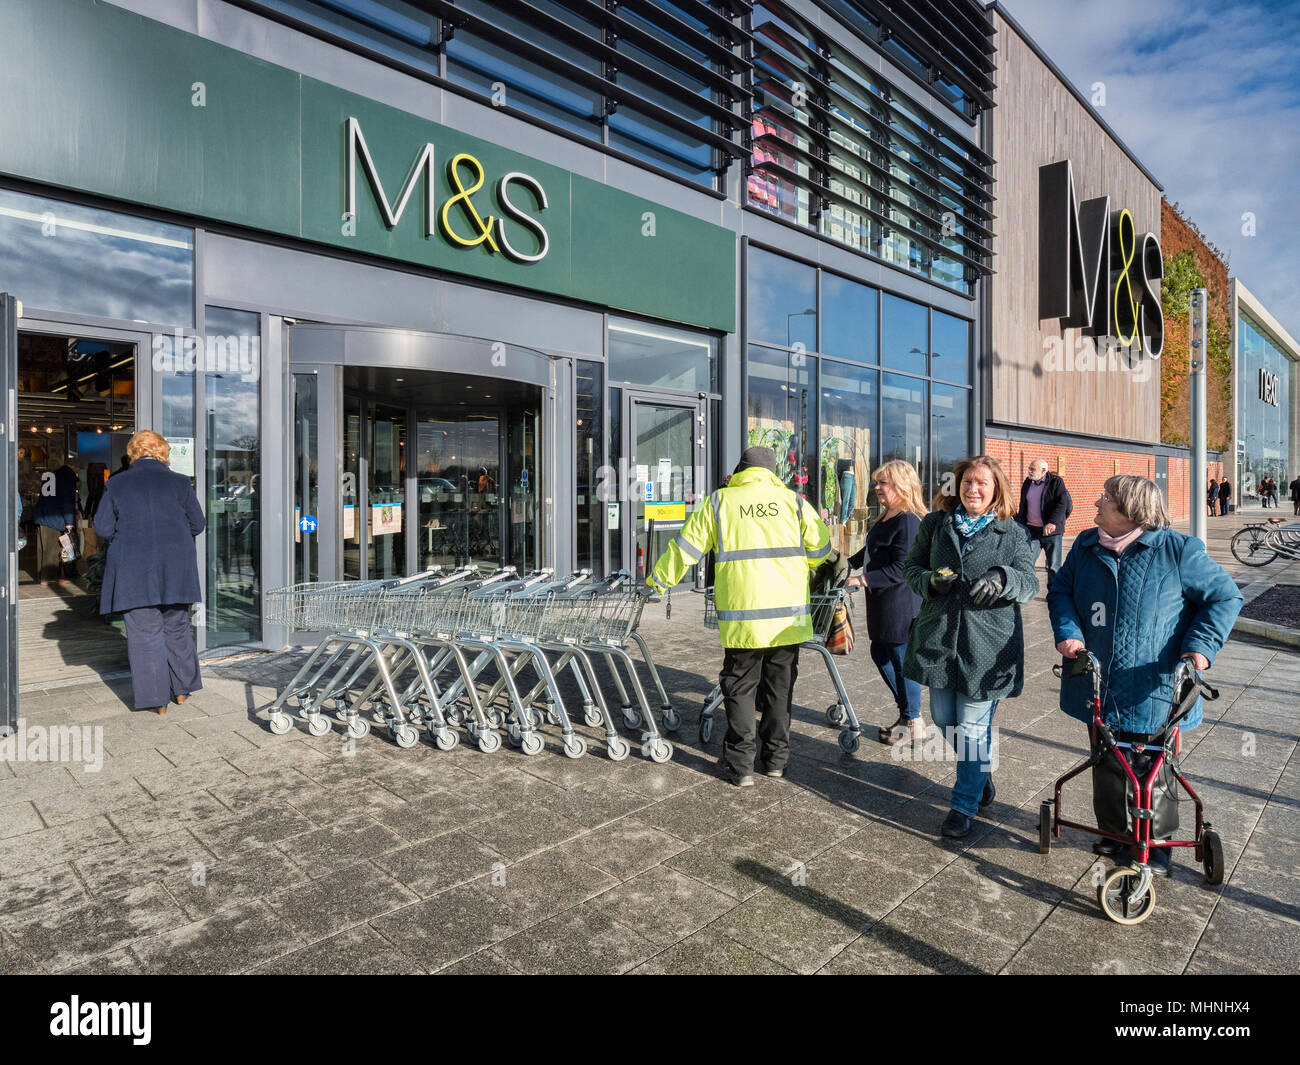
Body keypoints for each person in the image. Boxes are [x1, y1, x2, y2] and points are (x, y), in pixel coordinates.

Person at [1048, 474, 1242, 876]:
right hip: (1098, 679)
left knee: (1155, 765)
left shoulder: (1178, 550)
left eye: (1107, 499)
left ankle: (1156, 846)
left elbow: (1225, 596)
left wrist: (1200, 650)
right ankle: (1117, 833)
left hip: (1157, 685)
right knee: (1106, 756)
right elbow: (1060, 590)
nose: (1097, 503)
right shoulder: (1085, 546)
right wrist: (1069, 633)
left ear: (1131, 511)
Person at [648, 446, 830, 786]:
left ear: (740, 469)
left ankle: (740, 765)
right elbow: (821, 550)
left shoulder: (720, 502)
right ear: (774, 473)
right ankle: (775, 761)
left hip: (744, 617)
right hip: (787, 619)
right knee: (779, 690)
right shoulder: (793, 502)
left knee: (740, 687)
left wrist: (658, 581)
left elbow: (686, 548)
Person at [903, 455, 1039, 838]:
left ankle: (962, 806)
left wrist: (1003, 577)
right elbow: (910, 569)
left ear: (996, 489)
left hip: (988, 647)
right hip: (940, 640)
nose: (972, 489)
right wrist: (930, 581)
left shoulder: (1011, 532)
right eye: (966, 482)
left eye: (981, 483)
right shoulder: (935, 523)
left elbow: (1030, 584)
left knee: (973, 729)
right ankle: (979, 775)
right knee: (945, 720)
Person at [95, 430, 205, 715]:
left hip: (134, 569)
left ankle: (157, 701)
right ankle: (182, 690)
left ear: (133, 453)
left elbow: (103, 528)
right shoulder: (180, 483)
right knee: (177, 627)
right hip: (176, 567)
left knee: (144, 634)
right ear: (163, 452)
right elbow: (198, 524)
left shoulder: (117, 484)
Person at [846, 460, 926, 745]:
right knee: (881, 654)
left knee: (901, 660)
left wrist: (861, 580)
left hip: (900, 603)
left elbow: (903, 566)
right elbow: (871, 551)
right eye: (877, 482)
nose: (877, 488)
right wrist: (844, 564)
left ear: (902, 486)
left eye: (883, 483)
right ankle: (908, 714)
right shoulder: (886, 517)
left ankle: (913, 719)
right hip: (882, 602)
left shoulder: (908, 520)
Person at [1015, 458, 1072, 594]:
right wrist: (1019, 522)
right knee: (1026, 562)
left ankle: (1054, 593)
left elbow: (1062, 504)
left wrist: (1053, 522)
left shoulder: (1056, 482)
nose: (1029, 471)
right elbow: (1023, 504)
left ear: (1044, 470)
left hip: (1051, 532)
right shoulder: (1028, 482)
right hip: (1031, 531)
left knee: (1053, 566)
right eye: (1029, 468)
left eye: (1032, 469)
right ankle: (1025, 591)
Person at [32, 461, 80, 582]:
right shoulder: (68, 476)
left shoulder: (52, 474)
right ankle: (49, 580)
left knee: (43, 550)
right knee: (53, 551)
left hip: (42, 516)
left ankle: (42, 576)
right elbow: (67, 499)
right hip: (55, 518)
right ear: (74, 467)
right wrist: (69, 522)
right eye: (77, 469)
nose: (77, 472)